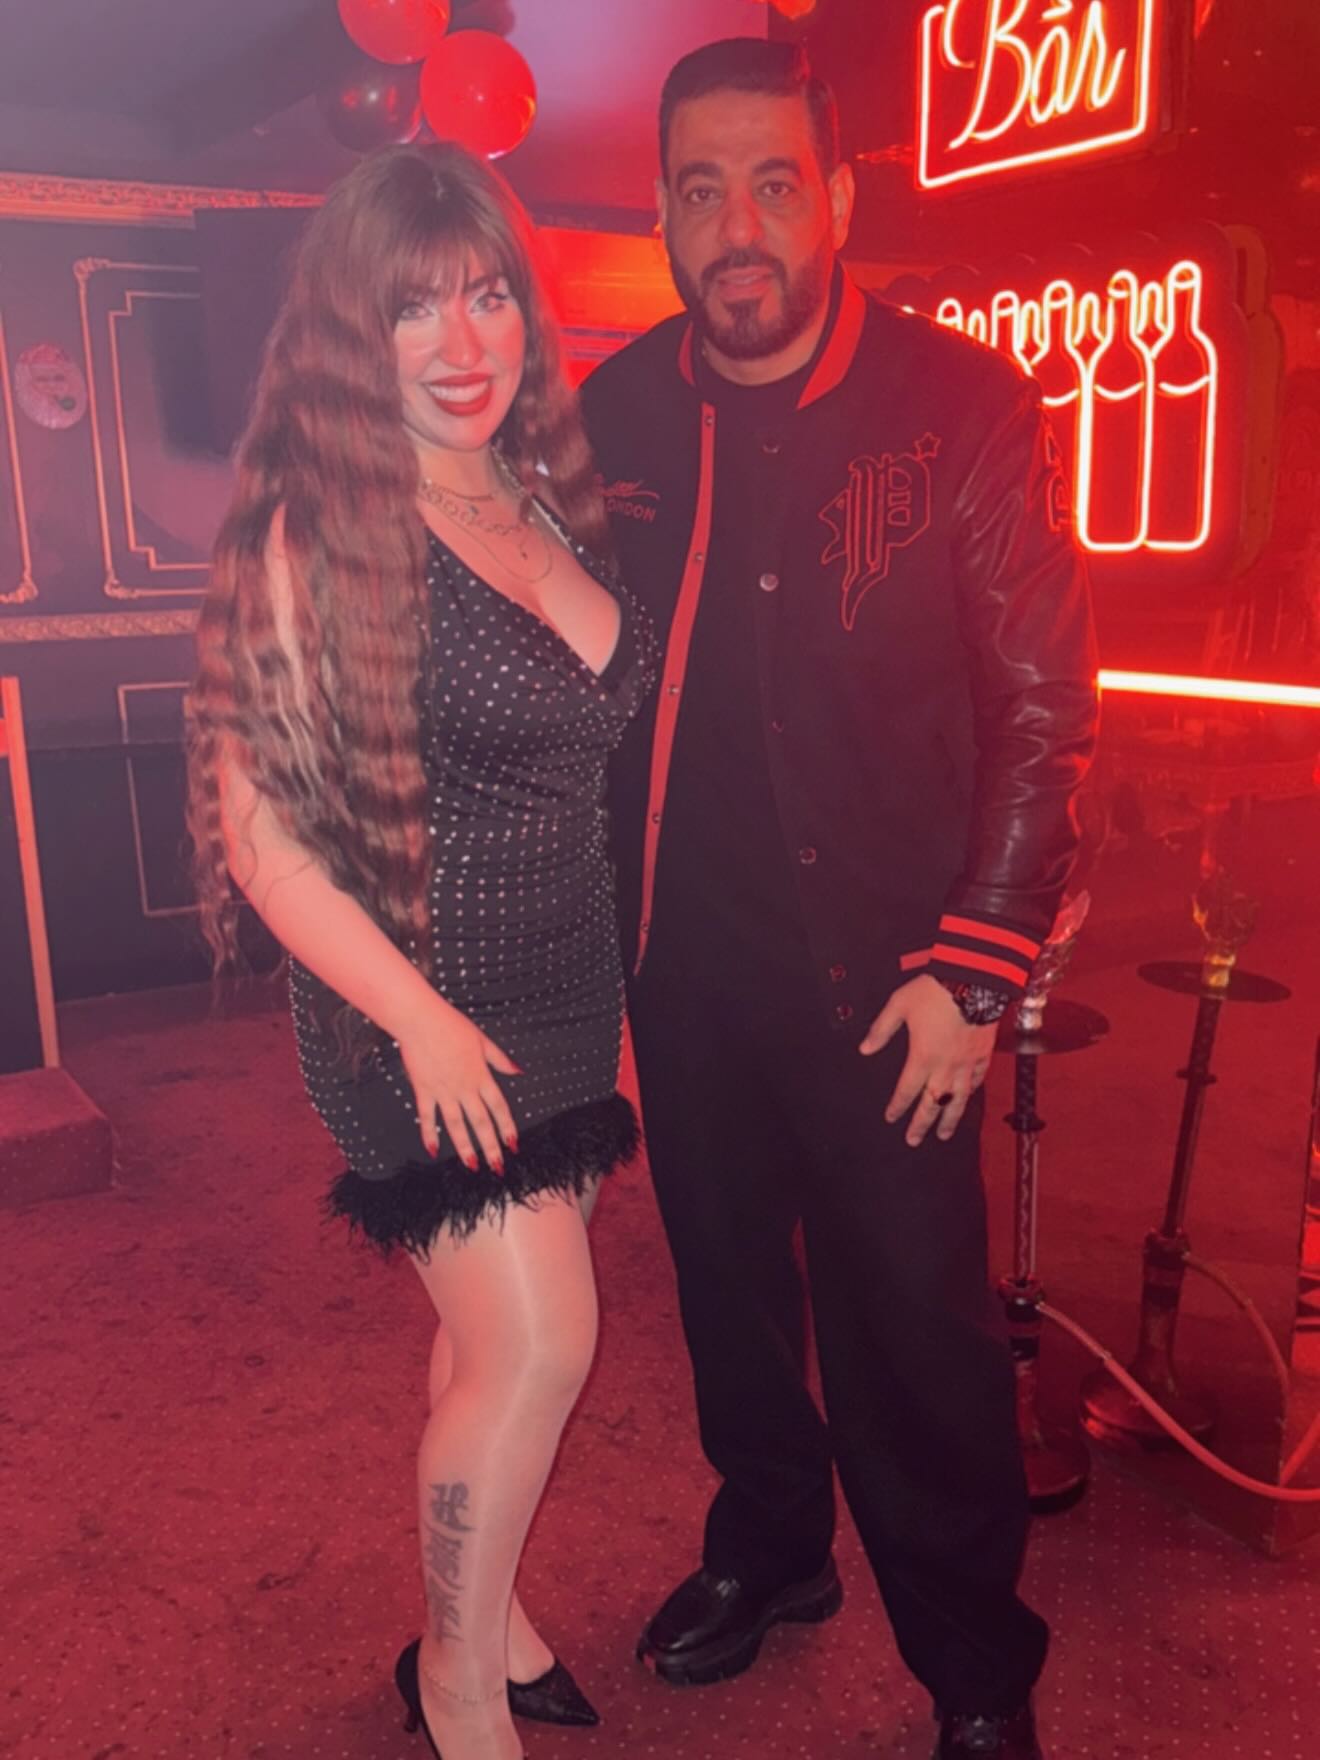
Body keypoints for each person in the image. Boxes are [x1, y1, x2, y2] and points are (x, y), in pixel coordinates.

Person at [579, 38, 1098, 1760]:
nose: (738, 227)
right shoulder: (615, 413)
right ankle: (773, 1546)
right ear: (665, 214)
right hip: (685, 969)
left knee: (918, 1345)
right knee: (726, 1297)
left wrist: (978, 968)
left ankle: (976, 1671)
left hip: (898, 984)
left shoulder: (964, 409)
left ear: (839, 199)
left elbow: (1046, 714)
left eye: (772, 184)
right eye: (701, 189)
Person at [187, 142, 655, 1760]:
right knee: (545, 1343)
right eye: (411, 309)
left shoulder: (537, 494)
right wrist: (422, 1020)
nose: (462, 342)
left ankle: (490, 1618)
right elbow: (263, 841)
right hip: (412, 1010)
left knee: (484, 1338)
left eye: (486, 296)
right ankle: (456, 1680)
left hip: (568, 992)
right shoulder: (318, 532)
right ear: (349, 332)